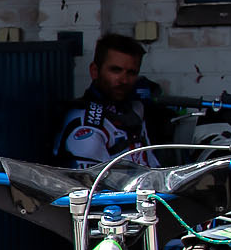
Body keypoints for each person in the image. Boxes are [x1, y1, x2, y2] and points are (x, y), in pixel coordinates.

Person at [56, 33, 168, 170]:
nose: (124, 80)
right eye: (116, 70)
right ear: (95, 71)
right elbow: (93, 182)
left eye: (131, 73)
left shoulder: (136, 109)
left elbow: (154, 167)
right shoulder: (86, 126)